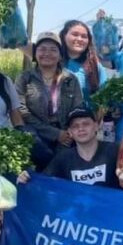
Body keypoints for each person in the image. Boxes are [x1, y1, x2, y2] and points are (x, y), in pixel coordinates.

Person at [15, 31, 83, 169]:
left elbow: (78, 108)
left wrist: (67, 132)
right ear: (35, 54)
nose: (47, 53)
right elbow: (22, 111)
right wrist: (55, 134)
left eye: (53, 50)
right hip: (37, 137)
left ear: (60, 55)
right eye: (42, 49)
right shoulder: (24, 78)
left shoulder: (70, 79)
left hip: (66, 135)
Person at [18, 108, 120, 189]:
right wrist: (27, 178)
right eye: (75, 126)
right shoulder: (63, 159)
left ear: (96, 126)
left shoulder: (115, 151)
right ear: (70, 132)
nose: (81, 129)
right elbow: (43, 182)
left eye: (86, 124)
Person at [59, 20, 108, 108]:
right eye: (75, 34)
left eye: (84, 36)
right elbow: (25, 43)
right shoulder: (53, 61)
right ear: (64, 36)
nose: (79, 39)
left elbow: (105, 98)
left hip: (84, 119)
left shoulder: (95, 67)